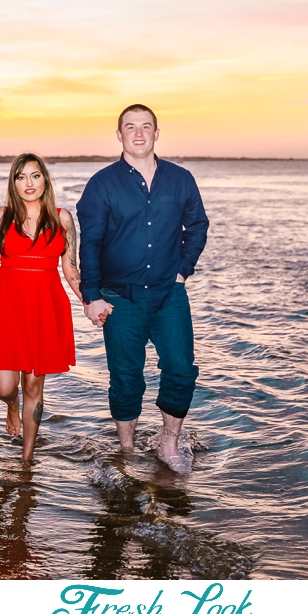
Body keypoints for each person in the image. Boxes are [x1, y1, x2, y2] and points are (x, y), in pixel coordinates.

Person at [77, 104, 209, 472]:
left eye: (146, 126)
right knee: (126, 378)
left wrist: (183, 271)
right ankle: (128, 450)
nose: (139, 133)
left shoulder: (181, 179)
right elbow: (90, 242)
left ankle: (169, 442)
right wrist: (92, 296)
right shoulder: (102, 184)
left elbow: (198, 225)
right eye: (130, 127)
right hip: (119, 298)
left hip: (170, 295)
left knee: (182, 370)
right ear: (119, 135)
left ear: (156, 133)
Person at [0, 153, 83, 464]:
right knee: (5, 385)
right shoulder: (0, 217)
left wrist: (90, 303)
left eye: (35, 175)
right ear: (13, 183)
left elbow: (72, 270)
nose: (28, 183)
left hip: (46, 307)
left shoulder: (63, 219)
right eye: (21, 177)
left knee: (34, 384)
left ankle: (27, 459)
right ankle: (11, 405)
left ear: (45, 180)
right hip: (5, 307)